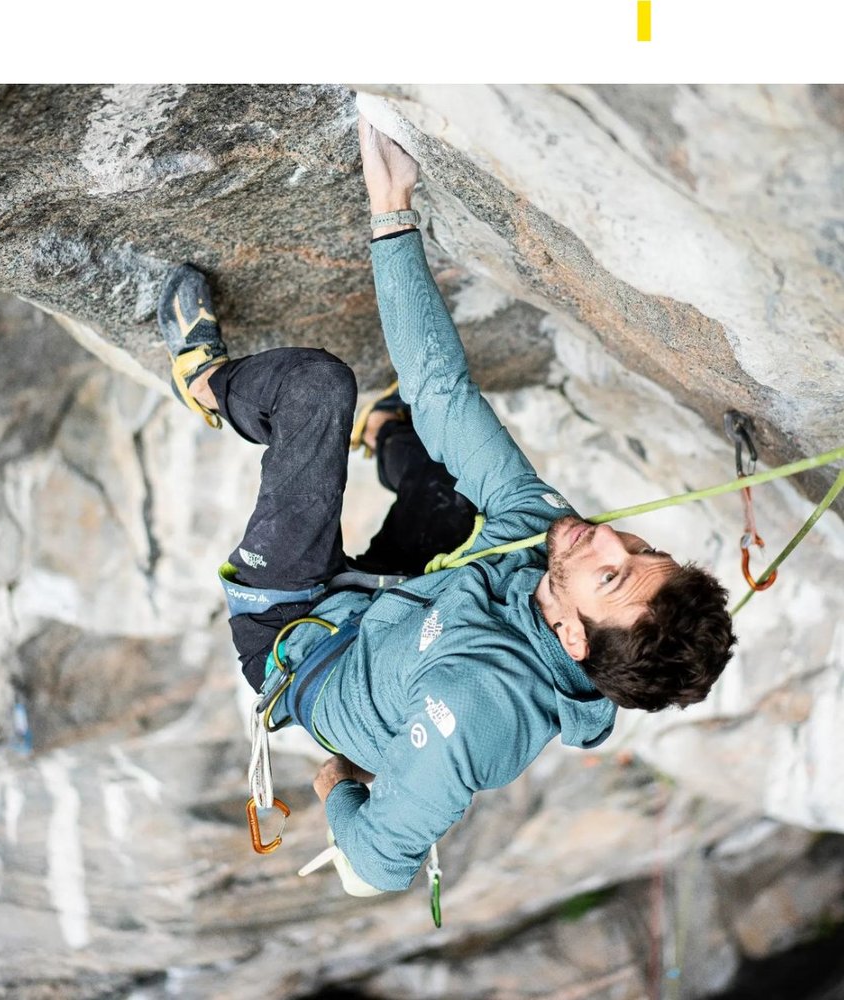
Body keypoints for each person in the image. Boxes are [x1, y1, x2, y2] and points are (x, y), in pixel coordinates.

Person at [156, 116, 736, 895]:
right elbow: (444, 393)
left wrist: (338, 787)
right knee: (447, 474)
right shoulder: (547, 543)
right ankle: (384, 429)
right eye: (639, 550)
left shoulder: (475, 710)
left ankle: (205, 384)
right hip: (393, 610)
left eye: (610, 574)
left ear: (570, 636)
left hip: (295, 636)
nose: (605, 538)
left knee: (316, 388)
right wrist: (391, 211)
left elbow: (372, 870)